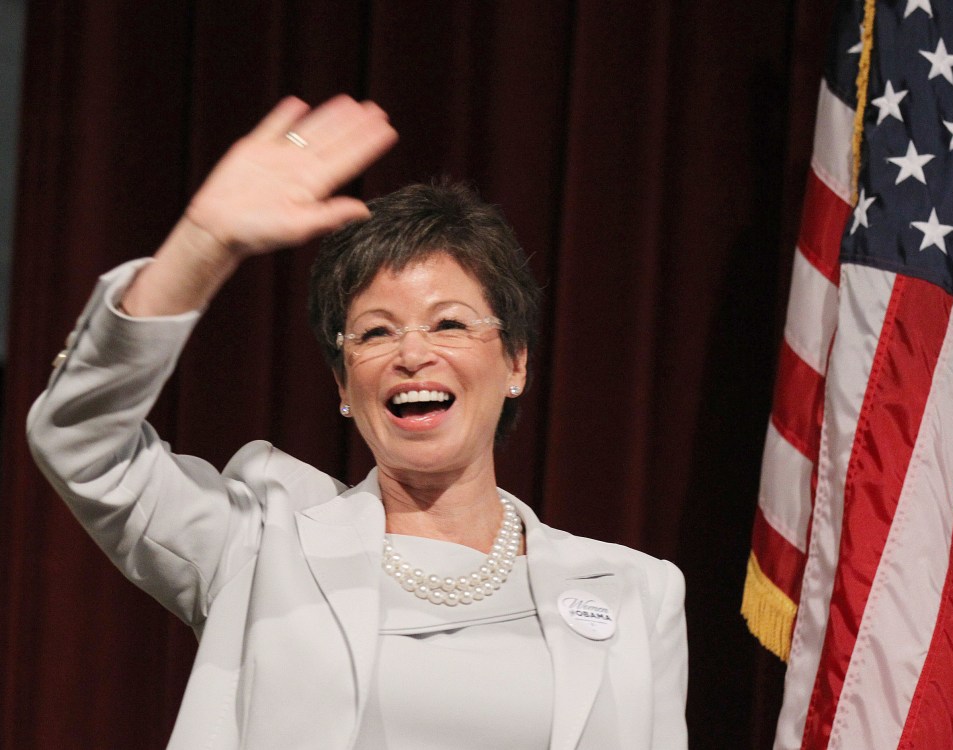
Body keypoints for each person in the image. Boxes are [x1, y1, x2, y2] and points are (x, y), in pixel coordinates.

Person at [27, 94, 687, 749]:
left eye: (449, 323)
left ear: (515, 362)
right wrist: (201, 246)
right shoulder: (259, 547)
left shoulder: (636, 593)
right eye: (375, 332)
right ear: (344, 385)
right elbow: (84, 444)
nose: (412, 354)